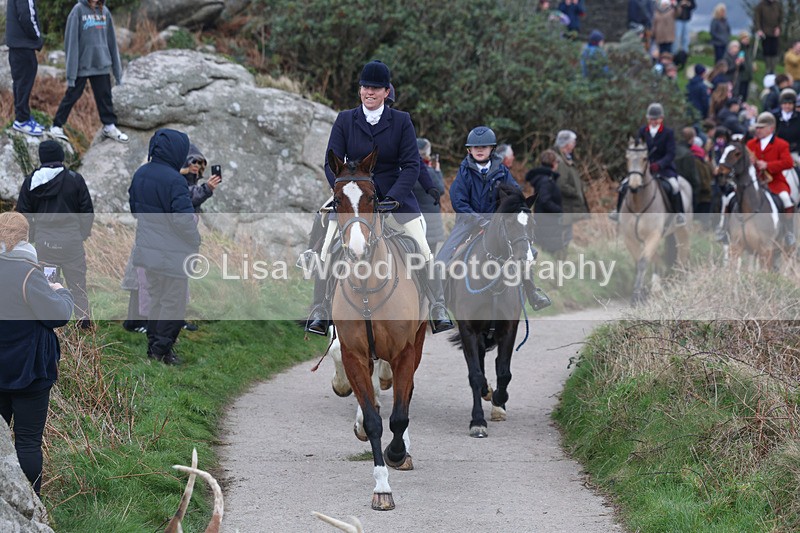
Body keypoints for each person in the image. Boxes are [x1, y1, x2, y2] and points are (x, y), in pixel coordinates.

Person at [306, 60, 453, 335]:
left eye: (375, 88)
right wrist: (342, 192)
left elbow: (411, 165)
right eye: (364, 87)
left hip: (394, 199)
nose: (368, 92)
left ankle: (438, 306)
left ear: (387, 91)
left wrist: (394, 198)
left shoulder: (401, 121)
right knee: (327, 248)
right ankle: (320, 310)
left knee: (422, 248)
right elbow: (330, 163)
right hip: (353, 196)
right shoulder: (345, 119)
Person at [436, 126, 551, 311]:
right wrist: (480, 221)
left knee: (527, 253)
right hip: (468, 223)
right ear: (469, 150)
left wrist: (508, 215)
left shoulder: (503, 172)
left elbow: (515, 197)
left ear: (492, 149)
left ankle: (532, 292)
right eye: (475, 148)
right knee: (441, 260)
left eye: (484, 147)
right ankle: (440, 305)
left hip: (498, 225)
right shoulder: (463, 173)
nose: (480, 150)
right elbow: (459, 203)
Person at [0, 212, 74, 495]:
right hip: (29, 370)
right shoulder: (30, 273)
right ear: (25, 237)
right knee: (28, 442)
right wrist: (61, 292)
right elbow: (57, 316)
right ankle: (31, 509)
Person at [128, 129, 200, 364]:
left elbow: (134, 209)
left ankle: (155, 349)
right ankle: (161, 351)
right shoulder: (175, 180)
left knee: (156, 300)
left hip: (148, 250)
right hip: (173, 254)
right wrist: (195, 240)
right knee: (174, 304)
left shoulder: (141, 173)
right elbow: (183, 220)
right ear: (176, 151)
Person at [16, 140, 94, 328]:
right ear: (61, 156)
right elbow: (87, 212)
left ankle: (52, 325)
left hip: (45, 245)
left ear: (41, 158)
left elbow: (23, 214)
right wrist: (81, 234)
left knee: (48, 284)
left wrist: (34, 236)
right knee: (77, 285)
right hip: (72, 245)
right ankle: (84, 326)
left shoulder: (31, 182)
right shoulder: (75, 179)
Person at [49, 0, 128, 143]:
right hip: (82, 66)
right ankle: (56, 126)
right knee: (72, 95)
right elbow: (71, 42)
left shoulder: (105, 12)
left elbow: (112, 42)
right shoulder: (77, 11)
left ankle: (109, 126)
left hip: (102, 64)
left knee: (104, 96)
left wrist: (117, 72)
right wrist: (71, 72)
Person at [610, 103, 685, 226]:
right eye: (651, 119)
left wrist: (659, 164)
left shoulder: (668, 132)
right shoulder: (642, 131)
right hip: (642, 168)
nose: (653, 121)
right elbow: (638, 149)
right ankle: (618, 212)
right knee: (623, 185)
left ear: (661, 119)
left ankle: (679, 214)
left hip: (663, 169)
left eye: (656, 119)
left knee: (674, 186)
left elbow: (671, 154)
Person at [747, 112, 795, 245]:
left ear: (771, 128)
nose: (758, 130)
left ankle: (789, 232)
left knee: (787, 200)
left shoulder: (781, 144)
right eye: (757, 127)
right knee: (732, 198)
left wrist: (768, 165)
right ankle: (725, 228)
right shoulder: (750, 144)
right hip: (754, 183)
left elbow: (788, 163)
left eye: (761, 127)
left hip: (775, 183)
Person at [6, 0, 45, 136]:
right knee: (24, 82)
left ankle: (23, 117)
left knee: (20, 82)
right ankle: (22, 120)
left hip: (16, 45)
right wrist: (37, 37)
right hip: (23, 45)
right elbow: (26, 15)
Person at [525, 149, 569, 256]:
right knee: (550, 253)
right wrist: (559, 211)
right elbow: (544, 200)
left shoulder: (544, 178)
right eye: (557, 162)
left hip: (546, 222)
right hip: (548, 223)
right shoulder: (546, 180)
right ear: (553, 163)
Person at [412, 138, 446, 256]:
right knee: (430, 256)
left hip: (415, 219)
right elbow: (440, 189)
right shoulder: (429, 172)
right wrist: (437, 171)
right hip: (431, 221)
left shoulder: (409, 171)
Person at [552, 130, 590, 227]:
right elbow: (561, 184)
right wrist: (576, 192)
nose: (574, 144)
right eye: (573, 142)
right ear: (566, 144)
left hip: (574, 207)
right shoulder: (560, 161)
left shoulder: (566, 159)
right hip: (569, 209)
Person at [755, 0, 783, 75]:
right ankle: (768, 68)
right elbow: (757, 18)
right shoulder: (761, 5)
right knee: (766, 51)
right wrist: (759, 29)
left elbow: (781, 18)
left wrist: (779, 28)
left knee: (774, 51)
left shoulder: (778, 5)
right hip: (765, 32)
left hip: (775, 32)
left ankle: (773, 69)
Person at [774, 88, 800, 161]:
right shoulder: (775, 117)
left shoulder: (798, 117)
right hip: (778, 151)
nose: (787, 106)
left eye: (790, 104)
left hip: (795, 152)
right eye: (785, 104)